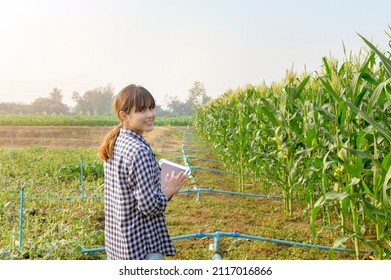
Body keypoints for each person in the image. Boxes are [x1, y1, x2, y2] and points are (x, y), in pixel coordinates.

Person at [98, 84, 187, 260]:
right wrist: (169, 189)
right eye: (141, 110)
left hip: (119, 242)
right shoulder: (139, 150)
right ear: (124, 116)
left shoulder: (116, 141)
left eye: (151, 107)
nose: (150, 114)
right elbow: (149, 206)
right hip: (141, 247)